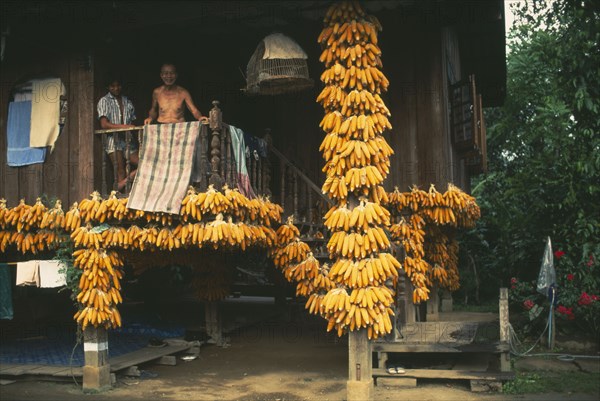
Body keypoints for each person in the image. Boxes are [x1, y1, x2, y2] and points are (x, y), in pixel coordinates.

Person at [97, 77, 139, 191]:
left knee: (144, 164)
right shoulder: (104, 101)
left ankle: (124, 182)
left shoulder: (127, 101)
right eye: (112, 86)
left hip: (128, 141)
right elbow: (104, 124)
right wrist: (125, 127)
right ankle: (120, 202)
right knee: (120, 171)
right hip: (113, 141)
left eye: (118, 85)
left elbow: (132, 123)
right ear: (108, 87)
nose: (116, 88)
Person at [144, 63, 209, 125]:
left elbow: (193, 110)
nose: (169, 76)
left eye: (172, 73)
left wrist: (200, 117)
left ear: (176, 75)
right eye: (166, 73)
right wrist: (150, 118)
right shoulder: (157, 92)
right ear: (161, 75)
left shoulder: (183, 92)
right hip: (161, 125)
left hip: (179, 126)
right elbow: (153, 109)